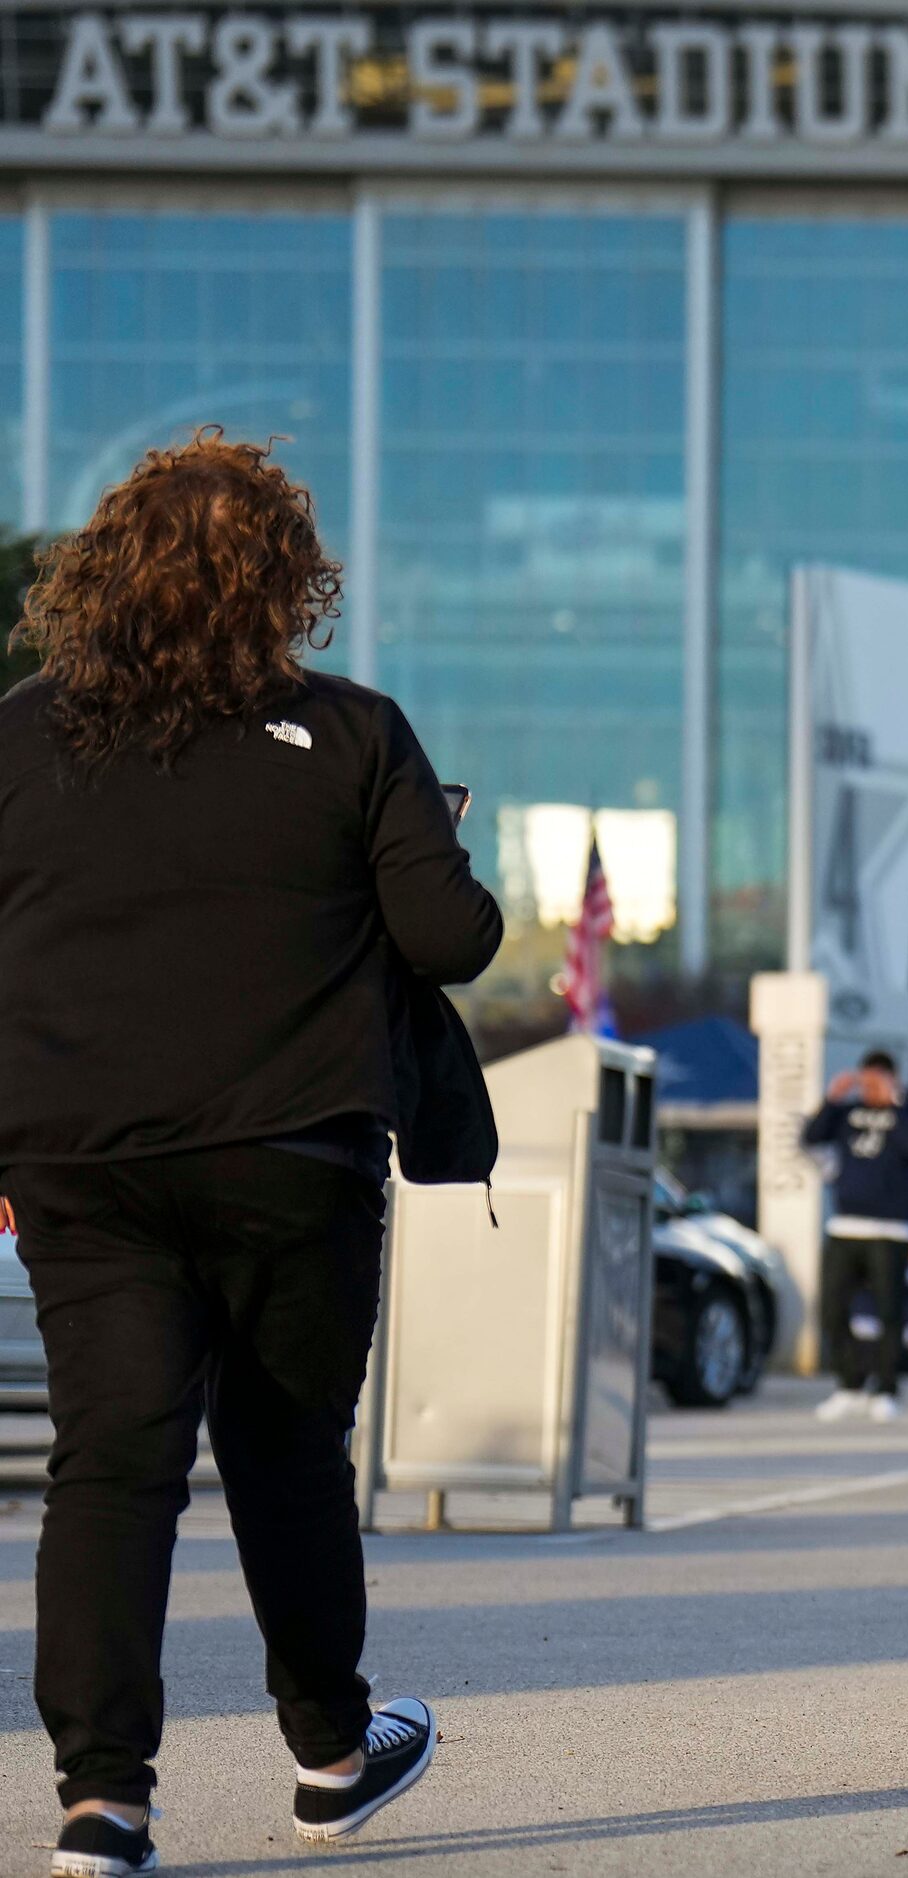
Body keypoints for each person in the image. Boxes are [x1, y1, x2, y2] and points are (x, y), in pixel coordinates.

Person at [0, 434, 495, 1874]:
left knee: (109, 1464)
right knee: (284, 1456)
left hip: (80, 1158)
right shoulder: (350, 734)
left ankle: (103, 1802)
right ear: (289, 581)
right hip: (291, 1155)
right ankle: (334, 1754)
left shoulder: (18, 735)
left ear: (99, 574)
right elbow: (449, 941)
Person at [801, 1049, 908, 1423]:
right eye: (867, 1079)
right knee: (831, 1309)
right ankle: (850, 1385)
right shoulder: (846, 1113)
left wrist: (896, 1101)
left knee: (889, 1311)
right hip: (846, 1226)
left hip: (891, 1231)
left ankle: (886, 1389)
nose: (871, 1087)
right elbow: (811, 1137)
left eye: (878, 1079)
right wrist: (832, 1098)